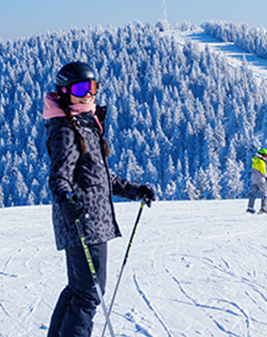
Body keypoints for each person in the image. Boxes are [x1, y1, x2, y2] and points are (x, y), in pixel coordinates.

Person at [44, 61, 156, 337]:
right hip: (84, 222)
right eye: (81, 88)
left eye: (92, 86)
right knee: (89, 294)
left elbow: (99, 176)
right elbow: (59, 175)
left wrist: (134, 190)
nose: (88, 93)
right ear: (65, 92)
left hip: (91, 221)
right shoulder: (67, 129)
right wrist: (66, 199)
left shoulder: (86, 124)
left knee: (79, 289)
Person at [247, 148, 267, 214]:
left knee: (253, 194)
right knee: (264, 195)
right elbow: (263, 172)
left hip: (254, 180)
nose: (266, 157)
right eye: (265, 156)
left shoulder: (255, 161)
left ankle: (250, 207)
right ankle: (264, 208)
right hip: (261, 180)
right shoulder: (261, 162)